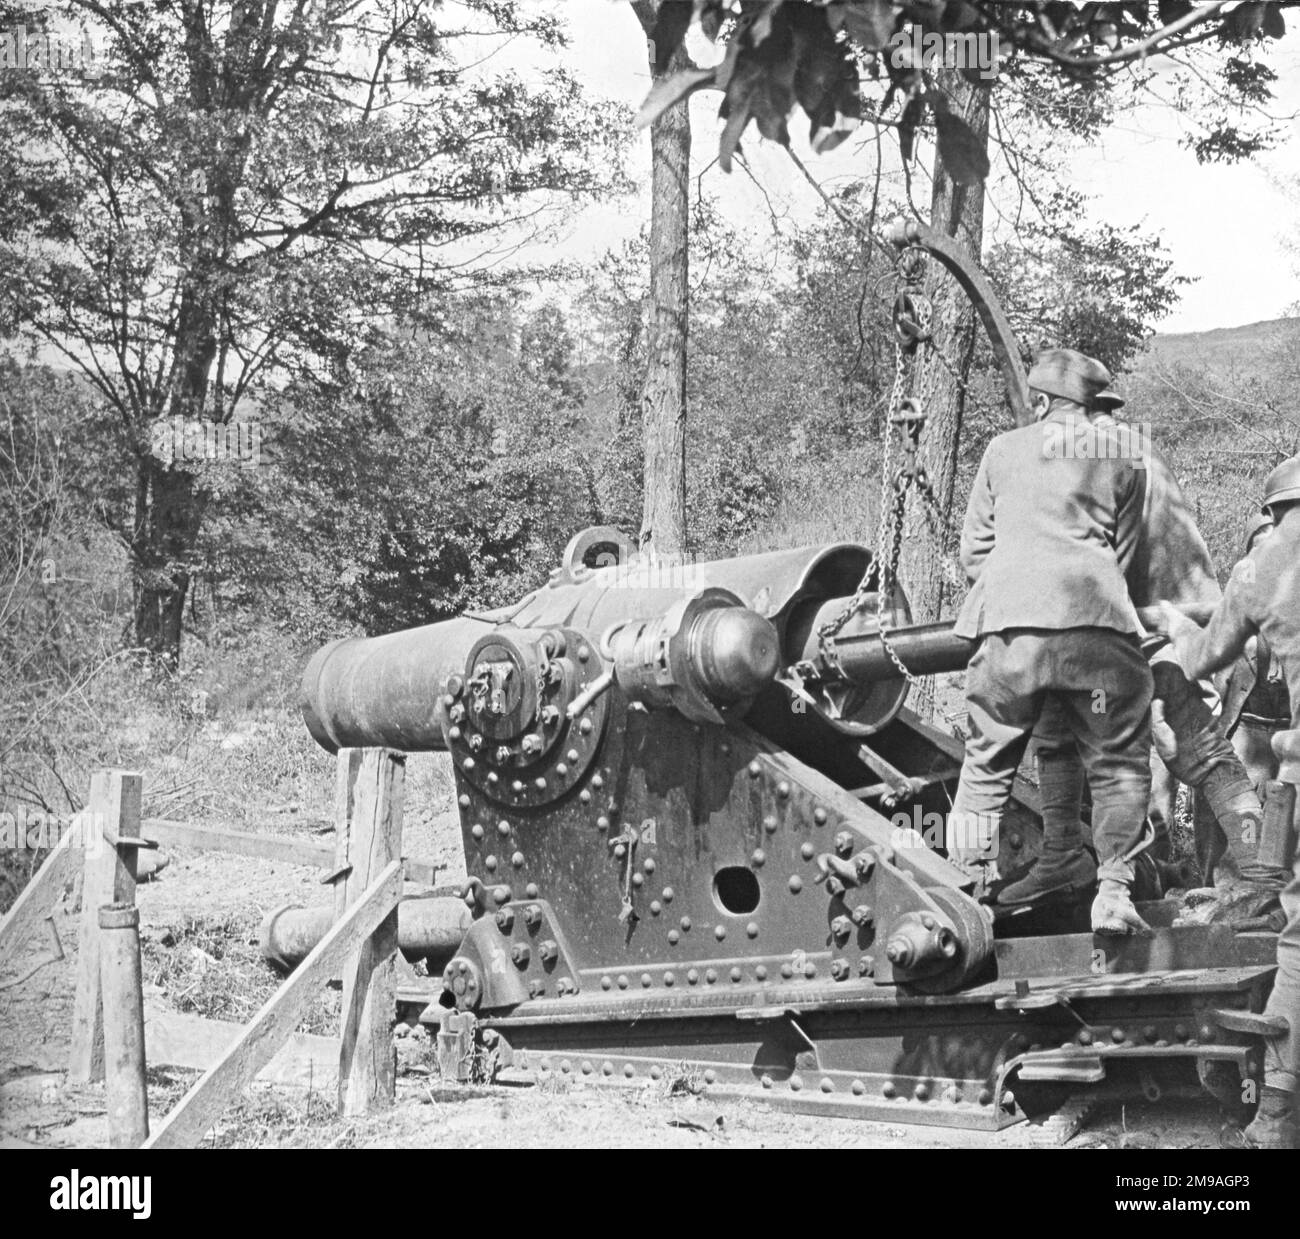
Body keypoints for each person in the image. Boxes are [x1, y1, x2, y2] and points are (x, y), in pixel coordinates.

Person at [997, 391, 1279, 919]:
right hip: (1155, 633)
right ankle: (1249, 873)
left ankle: (1112, 877)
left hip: (1121, 640)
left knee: (1159, 752)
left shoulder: (1082, 459)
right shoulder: (1135, 454)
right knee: (1184, 752)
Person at [946, 349, 1154, 936]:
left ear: (1039, 403)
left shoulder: (1002, 450)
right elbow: (1126, 554)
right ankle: (1113, 894)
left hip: (1010, 641)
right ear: (1091, 406)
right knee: (1116, 763)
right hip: (1096, 636)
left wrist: (1016, 593)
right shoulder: (1122, 450)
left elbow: (972, 556)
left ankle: (968, 890)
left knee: (986, 765)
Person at [1161, 453, 1300, 1149]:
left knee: (1292, 931)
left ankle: (1274, 1111)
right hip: (1269, 770)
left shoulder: (1264, 569)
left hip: (1286, 769)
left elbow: (1198, 657)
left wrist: (1173, 634)